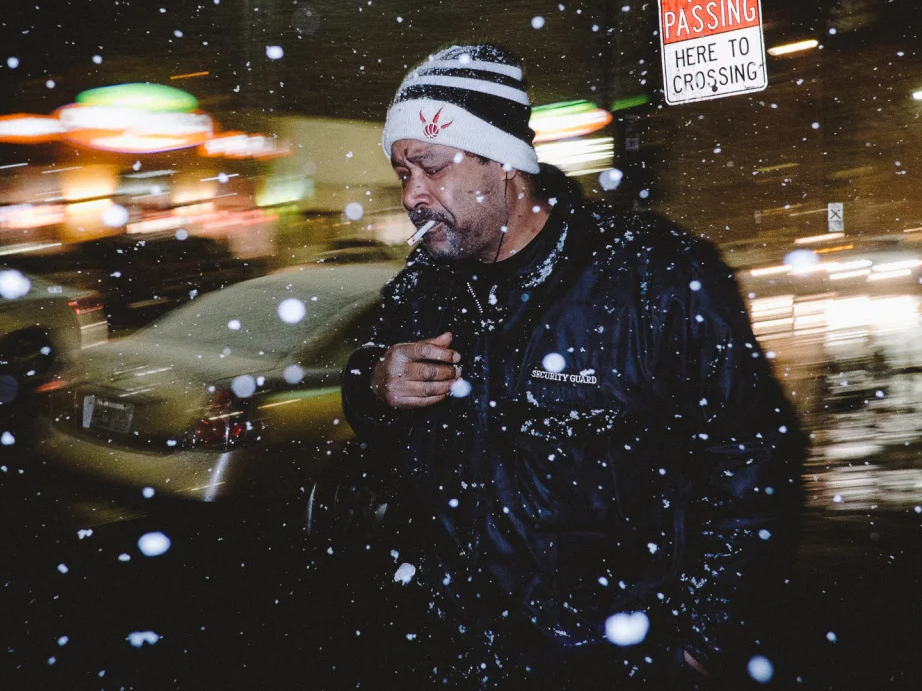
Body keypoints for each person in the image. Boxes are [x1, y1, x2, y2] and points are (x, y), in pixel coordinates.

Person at [338, 43, 803, 688]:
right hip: (459, 657)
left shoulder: (653, 277)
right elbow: (374, 416)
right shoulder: (427, 284)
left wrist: (702, 641)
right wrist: (372, 381)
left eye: (432, 166)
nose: (412, 195)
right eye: (402, 173)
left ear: (502, 159)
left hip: (611, 659)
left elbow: (754, 460)